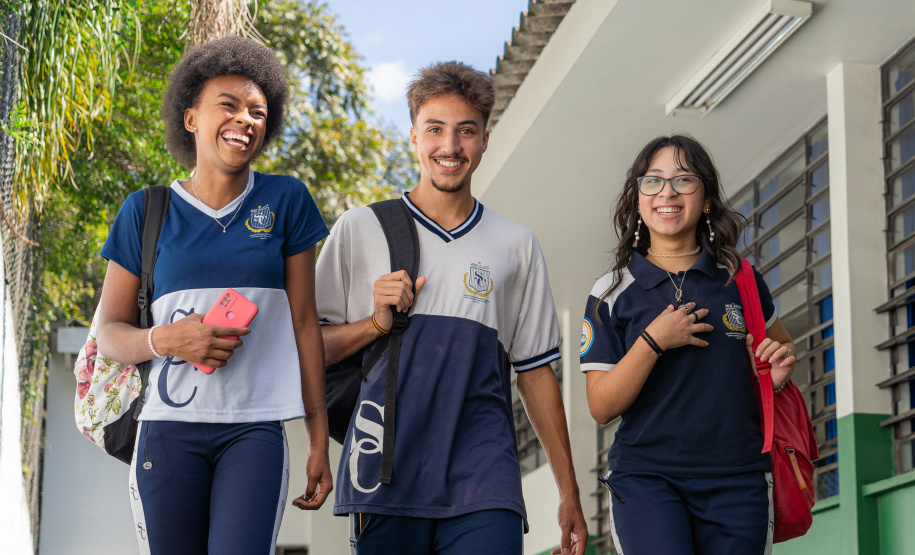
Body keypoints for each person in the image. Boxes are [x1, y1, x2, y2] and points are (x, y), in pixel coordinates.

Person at [315, 61, 589, 554]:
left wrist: (568, 490)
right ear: (414, 137)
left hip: (484, 476)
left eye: (466, 131)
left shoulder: (517, 245)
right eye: (435, 130)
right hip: (387, 472)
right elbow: (309, 350)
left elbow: (535, 373)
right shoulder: (361, 229)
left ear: (485, 140)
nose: (450, 146)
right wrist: (373, 324)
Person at [95, 36, 332, 554]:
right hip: (166, 430)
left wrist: (319, 440)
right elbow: (109, 335)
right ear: (190, 119)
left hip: (255, 430)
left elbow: (305, 326)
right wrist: (169, 339)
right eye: (228, 104)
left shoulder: (286, 200)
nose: (245, 119)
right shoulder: (145, 210)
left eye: (257, 111)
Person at [580, 135, 797, 553]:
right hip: (647, 480)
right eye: (653, 181)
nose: (667, 192)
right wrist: (652, 342)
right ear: (638, 199)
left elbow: (780, 350)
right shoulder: (611, 291)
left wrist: (778, 374)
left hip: (739, 479)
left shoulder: (739, 279)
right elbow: (601, 406)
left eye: (683, 180)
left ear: (708, 200)